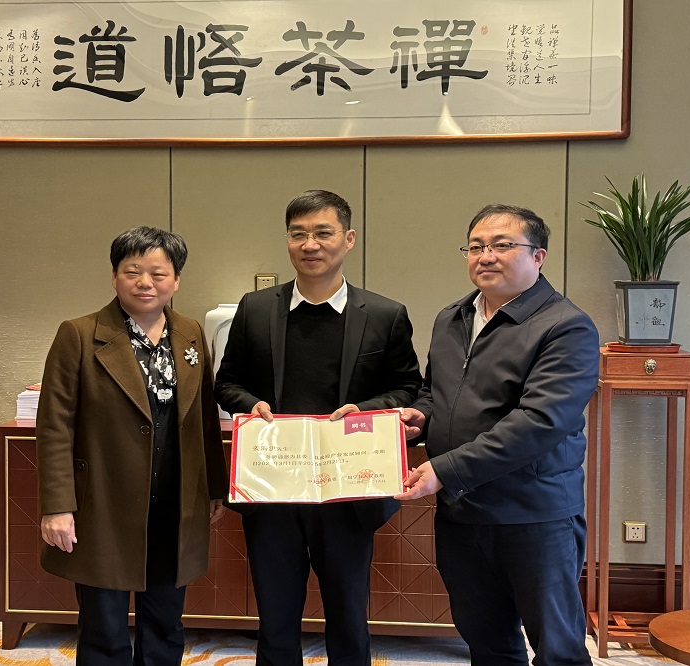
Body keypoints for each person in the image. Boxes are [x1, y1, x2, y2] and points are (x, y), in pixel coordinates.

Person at [215, 189, 422, 666]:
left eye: (323, 233)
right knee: (275, 616)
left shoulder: (385, 314)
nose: (310, 244)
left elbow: (409, 388)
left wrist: (364, 410)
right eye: (298, 234)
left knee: (348, 616)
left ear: (348, 239)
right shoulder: (255, 308)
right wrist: (251, 405)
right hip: (273, 487)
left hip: (349, 490)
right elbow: (226, 383)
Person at [395, 204, 599, 666]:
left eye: (503, 245)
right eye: (476, 246)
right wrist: (420, 417)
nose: (486, 256)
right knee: (487, 644)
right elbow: (434, 391)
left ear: (538, 256)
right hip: (462, 512)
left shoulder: (566, 326)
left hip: (535, 515)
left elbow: (539, 422)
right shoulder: (452, 318)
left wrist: (444, 470)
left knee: (558, 650)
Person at [36, 226, 228, 666]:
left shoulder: (190, 333)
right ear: (114, 276)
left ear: (176, 280)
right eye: (132, 271)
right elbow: (54, 426)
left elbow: (203, 416)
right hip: (103, 505)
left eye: (159, 274)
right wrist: (57, 506)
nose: (146, 283)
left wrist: (213, 487)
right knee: (104, 627)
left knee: (165, 622)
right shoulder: (79, 334)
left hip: (173, 504)